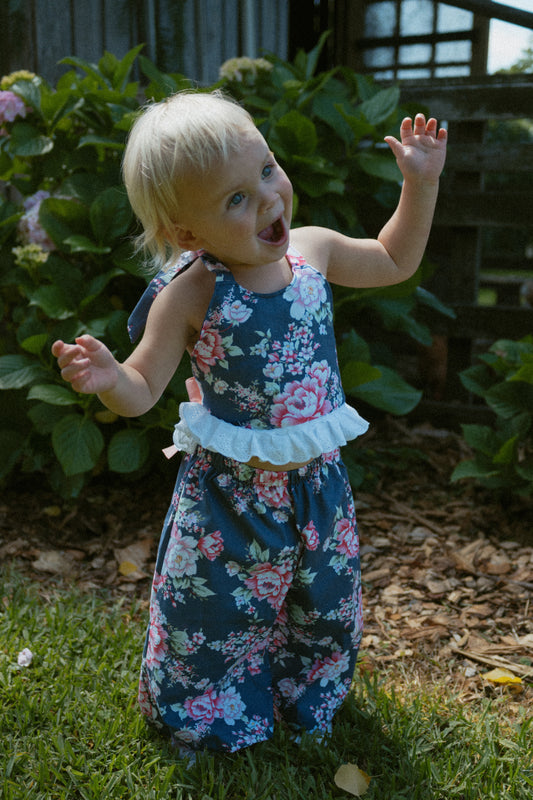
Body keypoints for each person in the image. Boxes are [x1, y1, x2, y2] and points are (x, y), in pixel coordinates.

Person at [52, 90, 447, 756]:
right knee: (213, 614)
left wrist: (419, 184)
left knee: (324, 605)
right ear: (187, 234)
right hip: (230, 501)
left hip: (318, 488)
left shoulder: (314, 254)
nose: (267, 198)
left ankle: (307, 700)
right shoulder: (192, 291)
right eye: (234, 198)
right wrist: (107, 378)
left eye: (265, 170)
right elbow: (144, 387)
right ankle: (208, 714)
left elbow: (392, 260)